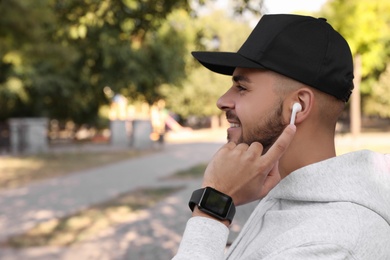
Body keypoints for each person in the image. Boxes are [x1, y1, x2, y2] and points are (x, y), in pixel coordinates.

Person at [172, 14, 390, 259]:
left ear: (299, 105)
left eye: (242, 87)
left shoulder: (333, 243)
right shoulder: (287, 194)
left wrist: (213, 207)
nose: (222, 101)